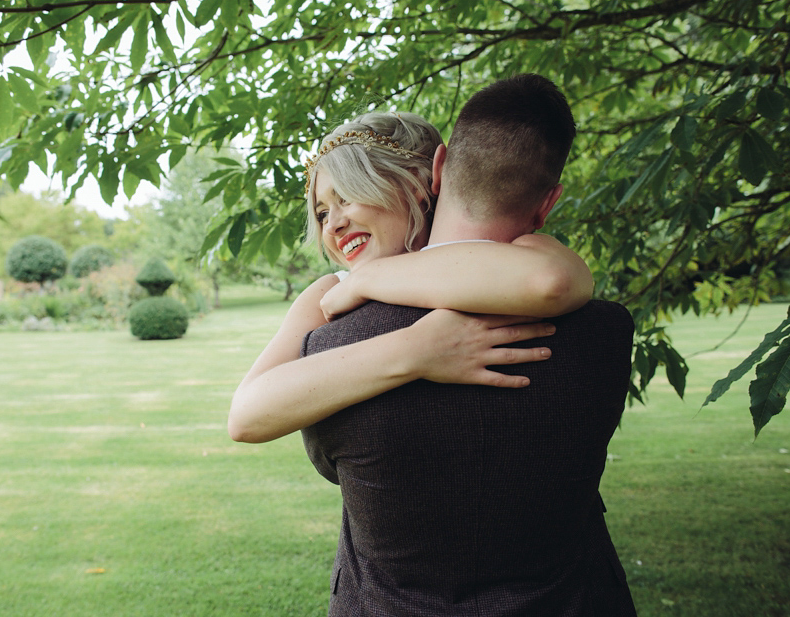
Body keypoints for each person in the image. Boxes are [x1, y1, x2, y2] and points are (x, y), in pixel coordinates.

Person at [300, 74, 637, 615]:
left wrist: (364, 289)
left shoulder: (330, 343)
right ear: (548, 202)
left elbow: (314, 452)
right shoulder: (608, 334)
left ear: (437, 172)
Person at [228, 109, 594, 444]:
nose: (334, 225)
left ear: (418, 183)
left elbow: (553, 279)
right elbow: (246, 416)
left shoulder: (504, 255)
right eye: (323, 213)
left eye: (348, 195)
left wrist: (367, 280)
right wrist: (417, 350)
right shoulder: (329, 291)